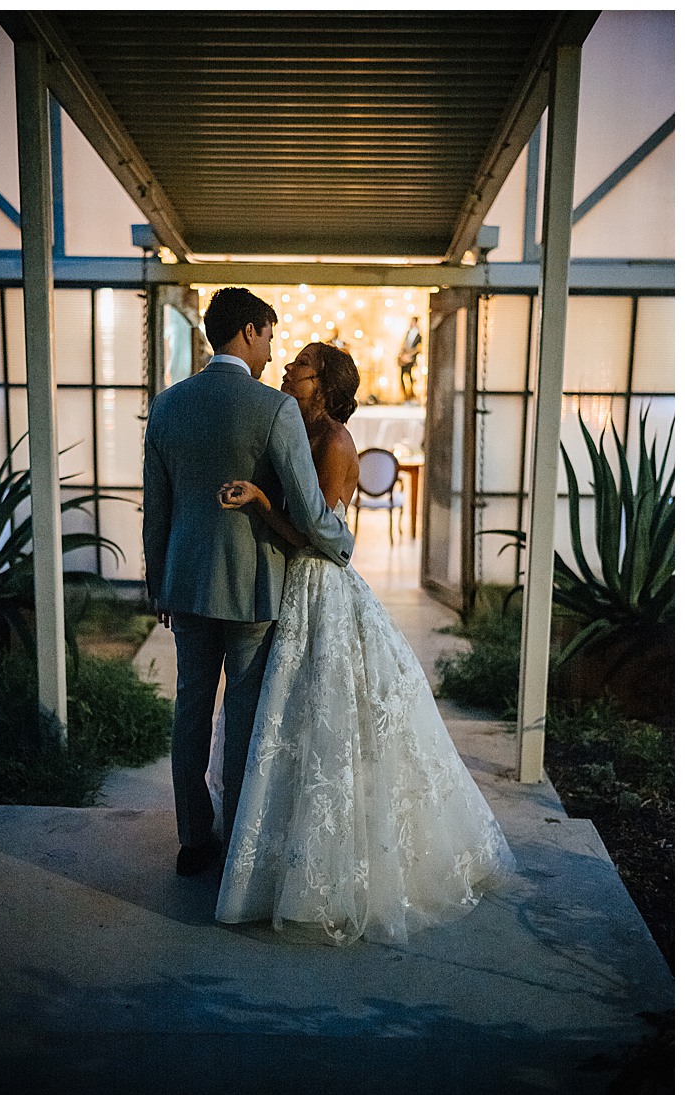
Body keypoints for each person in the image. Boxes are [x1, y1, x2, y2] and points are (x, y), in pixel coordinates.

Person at [214, 342, 514, 945]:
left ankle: (331, 869)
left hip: (320, 583)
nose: (289, 368)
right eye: (292, 360)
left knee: (326, 718)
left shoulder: (335, 442)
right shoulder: (292, 424)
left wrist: (262, 502)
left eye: (302, 364)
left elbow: (321, 535)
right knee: (288, 721)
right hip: (292, 587)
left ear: (323, 382)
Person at [142, 287, 355, 878]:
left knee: (190, 710)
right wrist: (342, 545)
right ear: (251, 331)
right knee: (242, 717)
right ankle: (237, 840)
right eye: (269, 336)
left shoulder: (167, 406)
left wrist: (157, 580)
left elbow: (154, 507)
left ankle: (192, 840)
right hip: (255, 587)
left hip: (185, 585)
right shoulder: (274, 409)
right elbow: (312, 512)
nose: (273, 351)